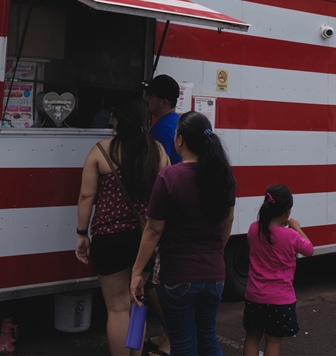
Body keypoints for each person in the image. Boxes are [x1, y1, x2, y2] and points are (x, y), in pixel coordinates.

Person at [129, 111, 236, 356]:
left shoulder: (170, 176)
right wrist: (214, 252)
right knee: (207, 339)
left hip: (177, 273)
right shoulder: (224, 176)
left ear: (180, 141)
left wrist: (137, 272)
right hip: (214, 273)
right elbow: (228, 220)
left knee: (183, 345)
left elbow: (154, 230)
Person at [76, 99, 170, 356]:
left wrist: (82, 233)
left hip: (110, 238)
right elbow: (168, 194)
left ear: (117, 119)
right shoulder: (158, 151)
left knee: (117, 308)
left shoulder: (101, 150)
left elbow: (86, 196)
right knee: (137, 303)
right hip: (146, 238)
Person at [242, 185, 313, 356]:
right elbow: (309, 249)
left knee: (252, 337)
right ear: (287, 213)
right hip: (280, 300)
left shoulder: (253, 228)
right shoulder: (291, 236)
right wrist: (296, 227)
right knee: (273, 341)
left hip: (254, 296)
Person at [144, 75, 182, 165]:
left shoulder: (161, 129)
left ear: (163, 103)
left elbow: (158, 167)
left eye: (150, 96)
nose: (146, 99)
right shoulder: (179, 121)